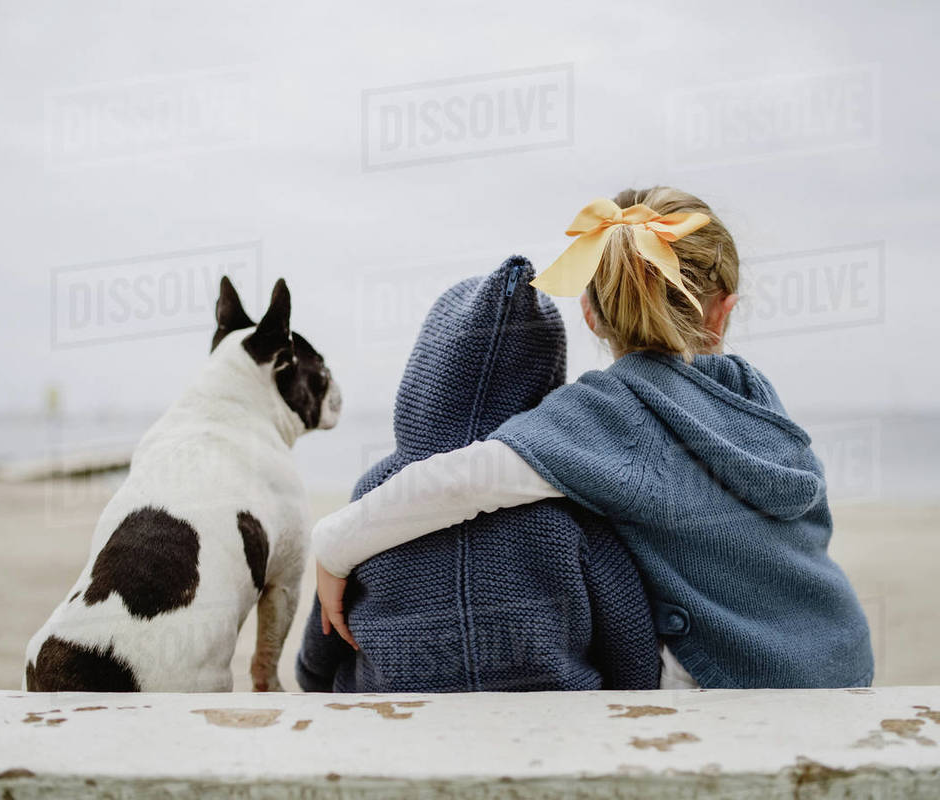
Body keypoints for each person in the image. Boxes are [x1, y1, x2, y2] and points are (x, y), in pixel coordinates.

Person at [311, 187, 874, 689]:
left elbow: (462, 481)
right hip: (839, 654)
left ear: (589, 314)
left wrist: (335, 546)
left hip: (735, 678)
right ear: (723, 312)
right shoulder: (755, 399)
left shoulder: (611, 411)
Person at [296, 258, 662, 692]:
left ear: (426, 373)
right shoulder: (572, 501)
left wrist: (311, 674)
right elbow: (632, 651)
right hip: (552, 724)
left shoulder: (375, 496)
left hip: (393, 721)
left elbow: (320, 648)